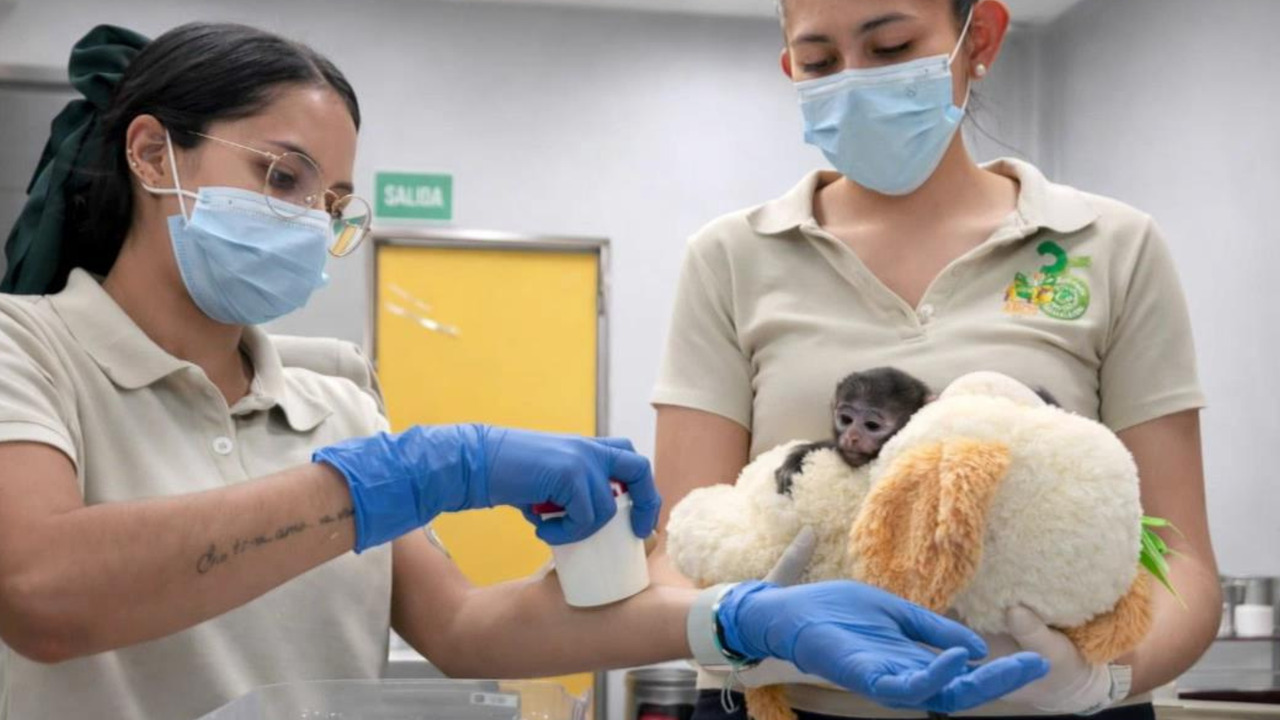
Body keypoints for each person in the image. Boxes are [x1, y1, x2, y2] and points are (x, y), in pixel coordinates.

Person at [0, 22, 1050, 720]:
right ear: (151, 155)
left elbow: (460, 628)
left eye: (330, 203)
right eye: (280, 175)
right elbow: (42, 592)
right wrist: (411, 476)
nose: (306, 220)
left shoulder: (333, 401)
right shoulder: (26, 350)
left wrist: (729, 620)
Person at [650, 0, 1222, 719]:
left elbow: (1185, 564)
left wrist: (1099, 680)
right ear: (791, 68)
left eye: (890, 47)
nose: (855, 81)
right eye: (821, 63)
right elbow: (678, 547)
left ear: (978, 37)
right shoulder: (731, 258)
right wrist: (740, 628)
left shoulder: (1109, 245)